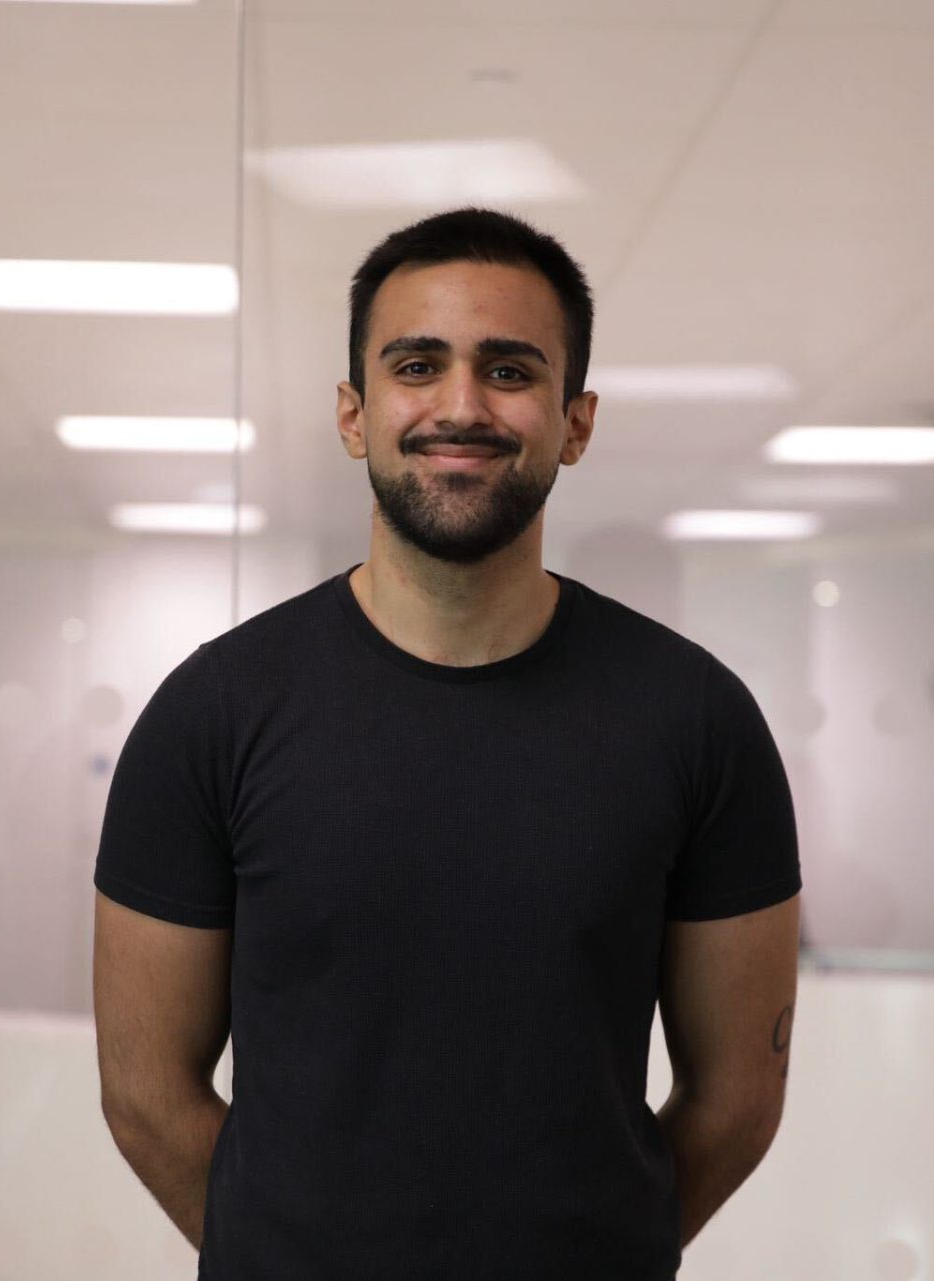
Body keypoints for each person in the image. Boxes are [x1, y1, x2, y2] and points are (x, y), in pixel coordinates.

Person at [93, 207, 801, 1280]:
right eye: (417, 366)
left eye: (509, 370)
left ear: (576, 422)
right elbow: (145, 1095)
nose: (462, 405)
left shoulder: (698, 720)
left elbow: (739, 1100)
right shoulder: (212, 713)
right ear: (353, 413)